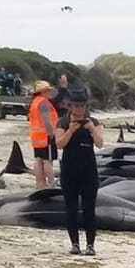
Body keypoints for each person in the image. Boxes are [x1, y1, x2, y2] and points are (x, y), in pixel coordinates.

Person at [54, 86, 104, 255]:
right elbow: (59, 144)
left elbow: (100, 143)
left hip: (89, 171)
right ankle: (75, 244)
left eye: (82, 106)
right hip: (69, 171)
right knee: (71, 209)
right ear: (70, 106)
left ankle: (90, 245)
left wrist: (91, 129)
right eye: (76, 106)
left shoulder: (94, 122)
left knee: (89, 209)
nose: (79, 109)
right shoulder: (63, 122)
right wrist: (71, 130)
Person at [28, 79, 57, 188]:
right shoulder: (44, 103)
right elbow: (47, 121)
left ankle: (40, 182)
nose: (50, 92)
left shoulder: (35, 101)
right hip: (46, 136)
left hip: (36, 136)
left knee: (38, 159)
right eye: (48, 90)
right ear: (43, 91)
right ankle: (51, 183)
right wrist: (52, 134)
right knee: (48, 160)